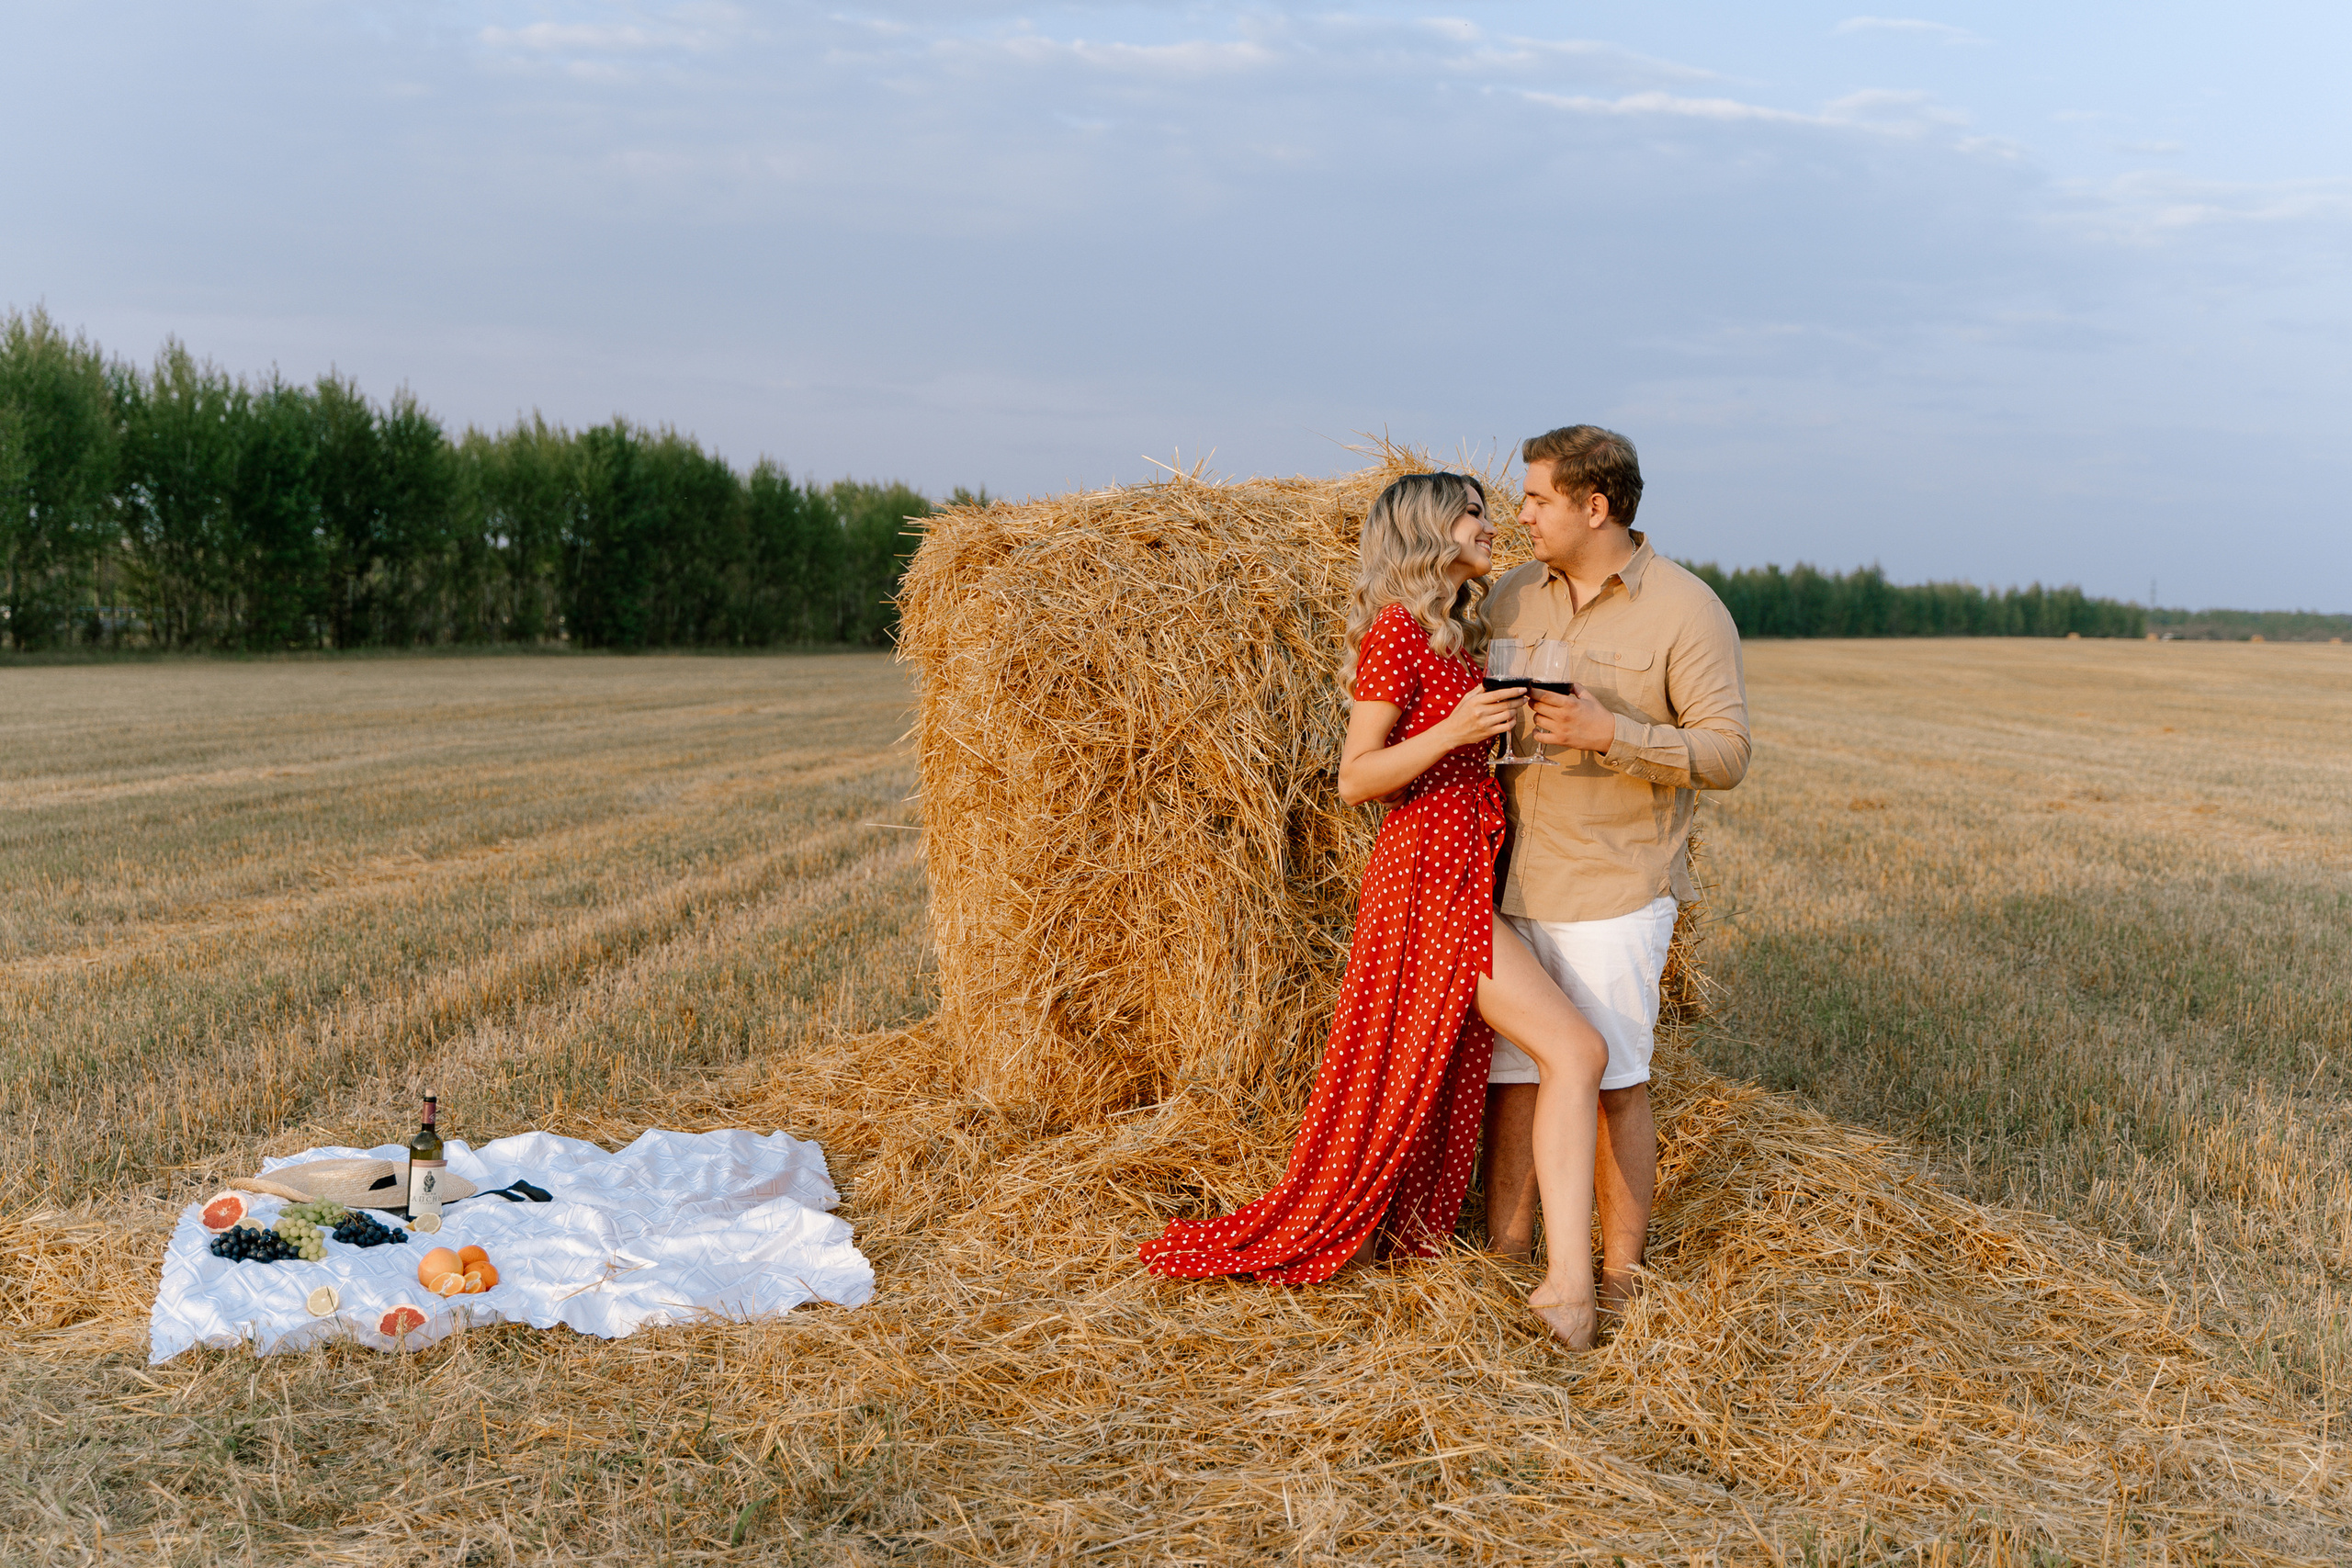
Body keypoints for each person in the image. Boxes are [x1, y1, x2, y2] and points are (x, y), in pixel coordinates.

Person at [1139, 470, 1613, 1348]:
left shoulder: (1464, 632)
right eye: (1471, 512)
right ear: (1429, 531)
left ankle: (1550, 1278)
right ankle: (1571, 1293)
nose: (1491, 522)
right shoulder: (1396, 631)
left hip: (1468, 868)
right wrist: (1456, 733)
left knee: (1544, 1055)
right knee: (1577, 1049)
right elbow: (1358, 776)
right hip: (1426, 878)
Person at [1478, 425, 1751, 1314]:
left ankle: (1622, 1278)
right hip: (1514, 881)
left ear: (1594, 508)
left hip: (1616, 887)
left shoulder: (1687, 609)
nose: (1518, 513)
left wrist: (1613, 735)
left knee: (1611, 1085)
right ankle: (1505, 1262)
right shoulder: (1511, 599)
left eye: (1536, 499)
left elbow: (1726, 753)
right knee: (1514, 1084)